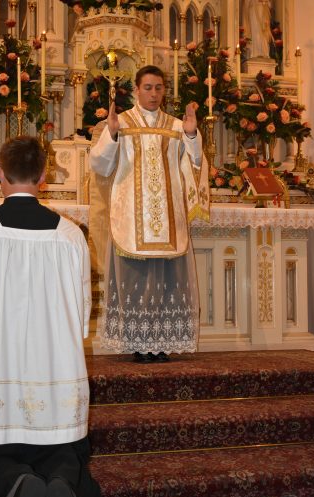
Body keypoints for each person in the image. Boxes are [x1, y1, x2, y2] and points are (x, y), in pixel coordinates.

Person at [0, 136, 102, 497]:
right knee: (63, 450)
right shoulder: (70, 235)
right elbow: (81, 311)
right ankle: (61, 480)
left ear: (0, 173)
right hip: (55, 374)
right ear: (43, 176)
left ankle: (15, 482)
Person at [89, 65, 209, 363]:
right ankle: (138, 343)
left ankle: (161, 342)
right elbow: (100, 166)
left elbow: (195, 164)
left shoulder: (177, 126)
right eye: (148, 87)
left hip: (168, 216)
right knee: (137, 281)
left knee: (166, 281)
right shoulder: (121, 122)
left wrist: (191, 135)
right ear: (136, 90)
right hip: (131, 216)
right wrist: (111, 134)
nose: (154, 94)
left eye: (158, 87)